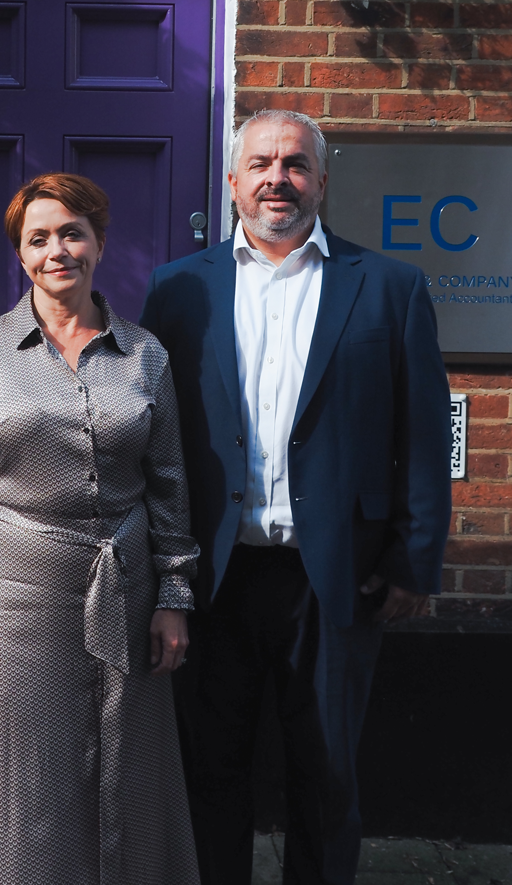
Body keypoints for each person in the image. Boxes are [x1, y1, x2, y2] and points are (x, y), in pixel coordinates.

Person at [140, 108, 452, 885]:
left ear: (321, 179)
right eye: (262, 164)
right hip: (215, 575)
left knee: (326, 779)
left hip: (334, 575)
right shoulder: (177, 290)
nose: (278, 178)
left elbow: (420, 433)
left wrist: (417, 560)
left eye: (295, 164)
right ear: (233, 181)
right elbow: (151, 433)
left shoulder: (390, 288)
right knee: (213, 773)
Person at [0, 172, 200, 885]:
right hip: (17, 602)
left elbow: (168, 484)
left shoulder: (145, 354)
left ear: (99, 242)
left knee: (124, 767)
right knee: (29, 777)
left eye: (72, 232)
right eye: (38, 237)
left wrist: (174, 595)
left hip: (127, 593)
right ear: (20, 254)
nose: (57, 250)